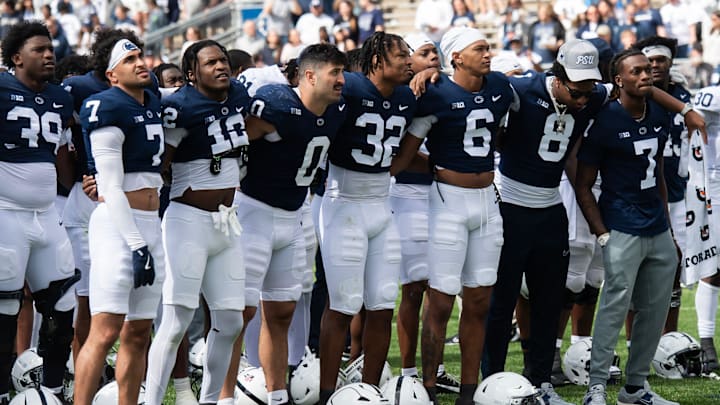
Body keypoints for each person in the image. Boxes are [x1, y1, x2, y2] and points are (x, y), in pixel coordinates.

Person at [391, 26, 514, 405]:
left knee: (479, 301)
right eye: (480, 48)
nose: (488, 54)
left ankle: (468, 389)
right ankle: (428, 384)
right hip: (447, 200)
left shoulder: (500, 87)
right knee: (441, 300)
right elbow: (405, 154)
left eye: (489, 47)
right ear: (456, 56)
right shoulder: (434, 93)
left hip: (487, 201)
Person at [229, 43, 347, 405]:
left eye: (342, 73)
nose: (342, 81)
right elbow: (232, 140)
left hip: (295, 214)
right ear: (309, 76)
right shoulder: (277, 104)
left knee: (281, 311)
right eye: (335, 74)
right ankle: (223, 396)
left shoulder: (337, 107)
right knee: (238, 313)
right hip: (253, 212)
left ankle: (277, 394)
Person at [145, 39, 250, 405]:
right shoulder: (178, 106)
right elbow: (161, 160)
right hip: (187, 221)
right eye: (210, 63)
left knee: (232, 322)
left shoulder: (239, 94)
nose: (221, 66)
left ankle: (209, 400)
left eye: (223, 60)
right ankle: (153, 400)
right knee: (175, 324)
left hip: (227, 223)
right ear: (191, 74)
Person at [577, 48, 683, 405]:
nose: (646, 75)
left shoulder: (657, 111)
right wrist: (601, 232)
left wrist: (667, 223)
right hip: (621, 225)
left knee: (654, 310)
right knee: (614, 306)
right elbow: (583, 183)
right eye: (637, 71)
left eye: (648, 70)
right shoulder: (605, 120)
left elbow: (659, 178)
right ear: (618, 80)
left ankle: (635, 387)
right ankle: (595, 386)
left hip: (656, 225)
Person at [317, 31, 416, 404]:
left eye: (410, 55)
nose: (409, 61)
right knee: (342, 303)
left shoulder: (406, 96)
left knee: (382, 304)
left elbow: (413, 139)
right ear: (377, 61)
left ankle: (368, 391)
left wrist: (395, 169)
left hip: (381, 203)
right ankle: (328, 392)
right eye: (401, 55)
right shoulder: (353, 87)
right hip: (343, 202)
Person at [73, 36, 165, 405]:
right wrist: (136, 244)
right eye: (130, 60)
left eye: (141, 56)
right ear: (112, 74)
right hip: (117, 227)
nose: (140, 63)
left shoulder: (154, 101)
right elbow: (110, 186)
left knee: (140, 331)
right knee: (105, 330)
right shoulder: (106, 105)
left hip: (151, 223)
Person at [0, 21, 76, 404]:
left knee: (63, 305)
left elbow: (63, 157)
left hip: (46, 214)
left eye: (51, 48)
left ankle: (52, 388)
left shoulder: (61, 97)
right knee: (5, 307)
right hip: (5, 212)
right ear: (16, 57)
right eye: (39, 49)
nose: (49, 54)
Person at [390, 31, 459, 395]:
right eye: (425, 52)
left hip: (443, 194)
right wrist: (437, 162)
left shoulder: (447, 89)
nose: (434, 57)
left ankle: (437, 367)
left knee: (441, 285)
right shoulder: (402, 95)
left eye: (436, 51)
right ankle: (409, 371)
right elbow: (398, 146)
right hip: (409, 193)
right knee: (414, 287)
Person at [624, 36, 690, 341]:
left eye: (660, 60)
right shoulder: (635, 99)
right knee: (634, 269)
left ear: (670, 63)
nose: (654, 66)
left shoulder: (685, 96)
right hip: (641, 195)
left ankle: (669, 338)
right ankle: (632, 338)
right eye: (648, 62)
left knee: (672, 268)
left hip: (679, 196)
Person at [691, 83, 720, 373]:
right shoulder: (713, 95)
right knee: (713, 267)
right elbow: (693, 127)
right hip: (715, 185)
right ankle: (707, 341)